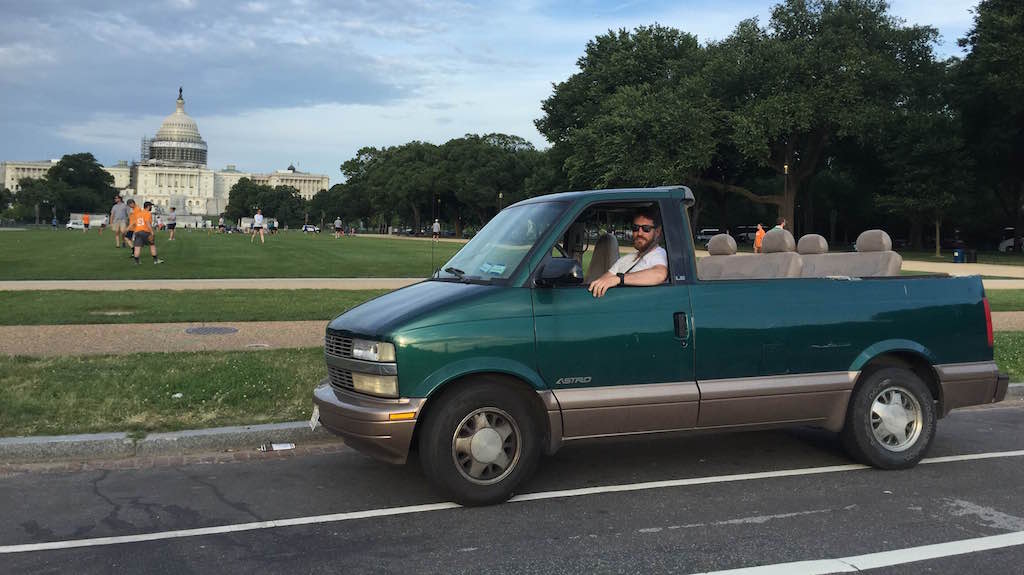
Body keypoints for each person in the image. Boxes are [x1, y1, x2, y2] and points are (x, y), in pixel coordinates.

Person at [588, 207, 668, 298]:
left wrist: (619, 279)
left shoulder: (659, 254)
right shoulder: (626, 259)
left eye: (646, 228)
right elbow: (604, 280)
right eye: (635, 228)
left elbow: (659, 274)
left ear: (657, 232)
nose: (639, 233)